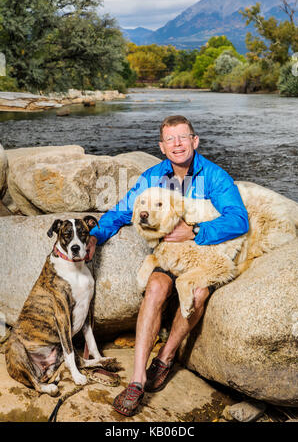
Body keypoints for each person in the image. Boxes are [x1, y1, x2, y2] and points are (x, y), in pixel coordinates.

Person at [87, 115, 249, 416]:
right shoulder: (151, 178)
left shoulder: (214, 176)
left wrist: (198, 231)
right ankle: (137, 379)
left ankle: (164, 358)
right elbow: (124, 212)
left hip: (201, 257)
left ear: (194, 141)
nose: (177, 144)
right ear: (162, 147)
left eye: (183, 137)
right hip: (167, 258)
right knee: (156, 287)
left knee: (198, 294)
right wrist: (95, 235)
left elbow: (239, 219)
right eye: (170, 139)